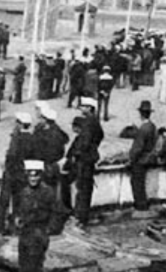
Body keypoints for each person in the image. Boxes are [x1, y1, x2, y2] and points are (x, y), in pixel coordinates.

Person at [18, 160, 68, 272]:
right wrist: (19, 221)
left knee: (35, 265)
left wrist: (49, 229)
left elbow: (59, 211)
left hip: (39, 233)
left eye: (35, 176)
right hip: (25, 234)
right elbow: (20, 211)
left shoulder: (48, 192)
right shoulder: (24, 192)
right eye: (30, 176)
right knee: (23, 264)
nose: (33, 179)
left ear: (40, 176)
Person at [0, 112, 37, 235]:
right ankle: (16, 226)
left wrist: (8, 167)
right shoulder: (32, 138)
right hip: (24, 174)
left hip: (12, 173)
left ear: (19, 124)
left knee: (4, 201)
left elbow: (12, 155)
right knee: (19, 202)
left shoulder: (16, 138)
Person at [64, 97, 103, 228]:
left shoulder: (88, 123)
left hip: (84, 160)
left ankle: (80, 218)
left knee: (83, 189)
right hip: (89, 158)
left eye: (83, 106)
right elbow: (100, 136)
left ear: (89, 108)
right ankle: (81, 216)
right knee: (85, 188)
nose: (81, 108)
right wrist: (94, 147)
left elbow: (84, 143)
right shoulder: (95, 121)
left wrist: (77, 154)